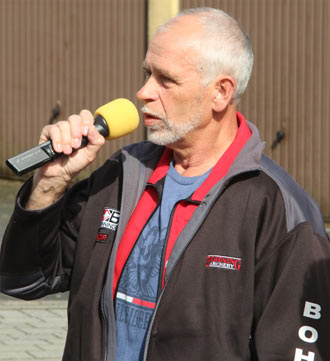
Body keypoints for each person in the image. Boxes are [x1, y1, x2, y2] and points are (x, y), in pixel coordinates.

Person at [1, 7, 329, 361]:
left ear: (221, 92)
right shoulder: (122, 174)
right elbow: (24, 280)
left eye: (165, 80)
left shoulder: (279, 209)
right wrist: (50, 184)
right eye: (146, 74)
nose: (143, 92)